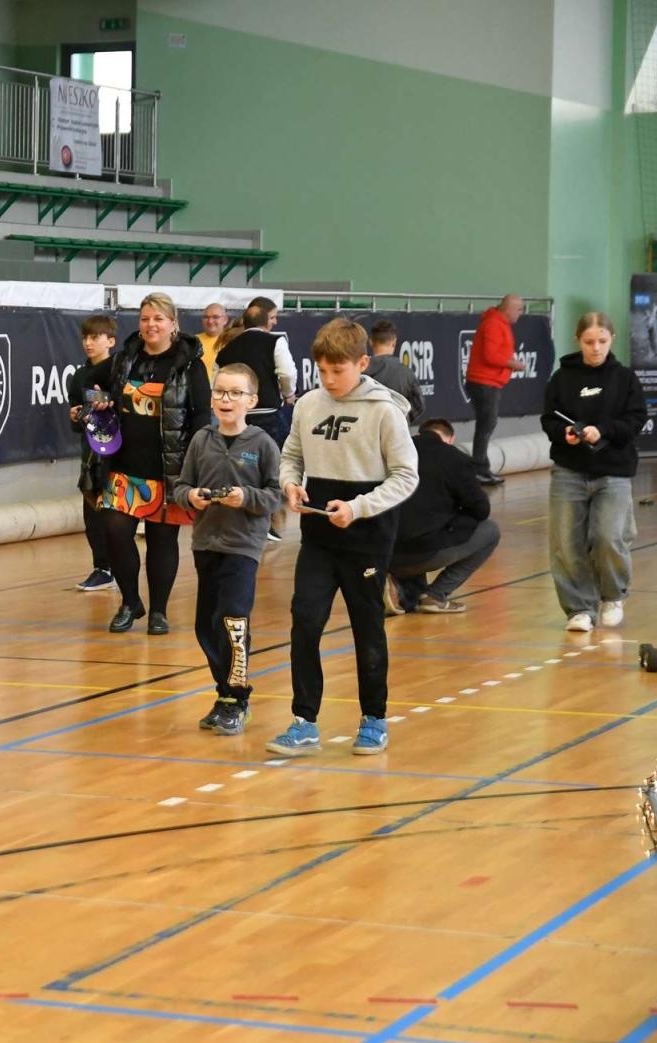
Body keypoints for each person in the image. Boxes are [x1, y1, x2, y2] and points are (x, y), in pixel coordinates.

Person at [267, 318, 417, 758]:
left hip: (367, 537)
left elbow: (406, 476)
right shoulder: (308, 405)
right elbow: (291, 456)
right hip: (317, 537)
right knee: (305, 621)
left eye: (339, 371)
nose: (329, 380)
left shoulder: (385, 411)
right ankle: (304, 720)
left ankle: (373, 717)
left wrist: (358, 508)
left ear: (363, 363)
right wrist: (290, 484)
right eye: (322, 371)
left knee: (366, 627)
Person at [171, 363, 283, 735]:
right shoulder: (202, 439)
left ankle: (237, 698)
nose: (225, 399)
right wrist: (192, 497)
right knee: (207, 624)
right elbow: (181, 484)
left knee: (234, 620)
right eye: (220, 392)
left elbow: (275, 495)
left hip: (243, 547)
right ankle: (223, 694)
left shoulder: (263, 444)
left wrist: (245, 497)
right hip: (206, 544)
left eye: (235, 393)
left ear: (251, 400)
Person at [93, 292, 211, 635]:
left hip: (169, 469)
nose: (150, 325)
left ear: (173, 324)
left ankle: (159, 611)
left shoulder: (190, 364)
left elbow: (202, 414)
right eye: (145, 318)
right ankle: (130, 601)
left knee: (162, 541)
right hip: (123, 465)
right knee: (114, 531)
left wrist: (198, 460)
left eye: (158, 318)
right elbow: (89, 386)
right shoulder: (123, 360)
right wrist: (92, 408)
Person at [541, 311, 646, 632]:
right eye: (589, 342)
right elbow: (549, 420)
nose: (595, 348)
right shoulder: (561, 378)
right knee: (566, 543)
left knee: (608, 537)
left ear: (611, 339)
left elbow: (635, 419)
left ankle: (612, 595)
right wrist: (565, 434)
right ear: (578, 341)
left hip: (613, 471)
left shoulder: (625, 378)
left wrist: (605, 431)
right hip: (569, 470)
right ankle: (579, 609)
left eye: (602, 341)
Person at [385, 419, 498, 615]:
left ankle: (394, 588)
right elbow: (481, 510)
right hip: (424, 552)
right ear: (450, 439)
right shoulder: (455, 458)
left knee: (412, 523)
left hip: (382, 551)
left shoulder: (392, 451)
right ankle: (436, 595)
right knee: (490, 531)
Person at [216, 301, 298, 541]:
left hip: (236, 418)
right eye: (272, 319)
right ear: (265, 322)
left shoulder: (227, 349)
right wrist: (287, 393)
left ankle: (239, 522)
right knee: (273, 468)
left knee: (240, 467)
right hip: (268, 414)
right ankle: (266, 523)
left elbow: (218, 381)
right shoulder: (275, 341)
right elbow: (287, 373)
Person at [67, 313, 117, 592]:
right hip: (91, 454)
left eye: (95, 337)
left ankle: (120, 565)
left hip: (120, 452)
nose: (89, 343)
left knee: (116, 513)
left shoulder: (120, 372)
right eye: (85, 337)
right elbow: (76, 419)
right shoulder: (79, 376)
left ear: (110, 340)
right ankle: (103, 567)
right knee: (92, 511)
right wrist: (75, 416)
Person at [466, 294, 527, 485]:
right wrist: (514, 364)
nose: (521, 313)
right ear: (508, 308)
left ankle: (482, 468)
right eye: (519, 309)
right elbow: (490, 356)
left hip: (489, 382)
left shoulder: (499, 323)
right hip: (484, 383)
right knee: (486, 426)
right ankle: (479, 469)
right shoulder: (493, 323)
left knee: (486, 425)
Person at [365, 318, 423, 426]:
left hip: (367, 433)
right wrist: (402, 419)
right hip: (397, 433)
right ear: (394, 342)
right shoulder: (407, 373)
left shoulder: (360, 371)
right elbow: (419, 405)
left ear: (371, 342)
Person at [196, 303, 229, 381]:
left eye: (215, 317)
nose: (210, 321)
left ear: (225, 320)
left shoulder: (232, 341)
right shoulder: (193, 341)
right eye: (206, 317)